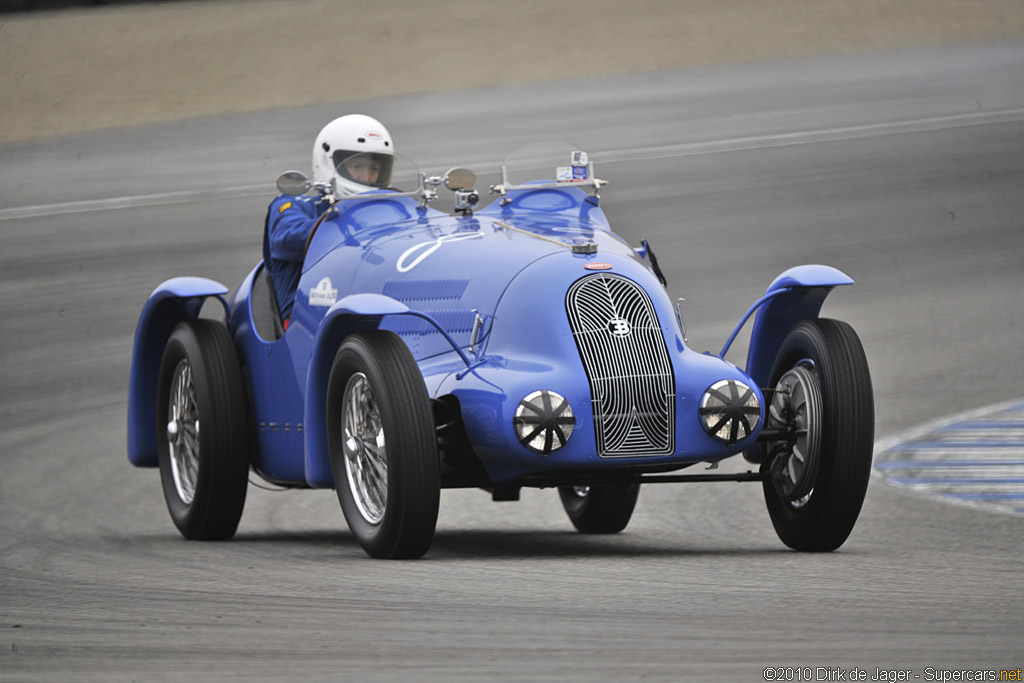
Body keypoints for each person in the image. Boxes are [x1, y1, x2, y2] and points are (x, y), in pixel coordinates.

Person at [262, 114, 395, 325]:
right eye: (357, 166)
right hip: (307, 322)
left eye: (374, 169)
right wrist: (344, 225)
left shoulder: (388, 208)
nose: (366, 177)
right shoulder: (295, 204)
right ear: (329, 163)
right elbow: (286, 238)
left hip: (373, 311)